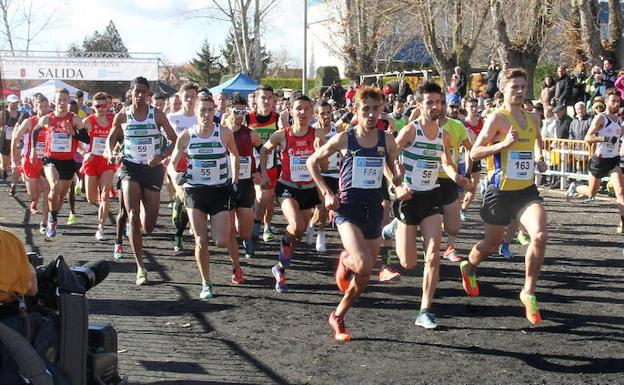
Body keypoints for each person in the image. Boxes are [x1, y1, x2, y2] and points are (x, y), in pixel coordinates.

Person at [307, 86, 401, 341]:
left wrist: (397, 182)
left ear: (382, 109)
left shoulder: (387, 140)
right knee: (361, 262)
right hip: (346, 208)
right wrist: (327, 192)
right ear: (355, 111)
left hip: (372, 208)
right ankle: (346, 261)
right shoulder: (344, 138)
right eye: (365, 110)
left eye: (376, 109)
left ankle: (338, 315)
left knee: (364, 274)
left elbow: (391, 171)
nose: (371, 115)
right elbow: (312, 162)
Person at [461, 67, 548, 325]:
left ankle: (528, 292)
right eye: (515, 87)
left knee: (540, 235)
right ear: (503, 90)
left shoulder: (532, 117)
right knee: (491, 245)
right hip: (499, 192)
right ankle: (469, 266)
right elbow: (475, 153)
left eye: (523, 86)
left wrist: (541, 158)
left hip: (525, 191)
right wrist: (503, 145)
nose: (520, 91)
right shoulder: (497, 119)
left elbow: (538, 141)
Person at [393, 81, 471, 329]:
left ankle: (424, 310)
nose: (436, 106)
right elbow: (390, 155)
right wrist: (396, 183)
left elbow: (446, 161)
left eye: (439, 102)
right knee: (408, 264)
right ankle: (393, 228)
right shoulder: (410, 131)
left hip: (430, 196)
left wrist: (456, 176)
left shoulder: (444, 134)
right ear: (419, 104)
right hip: (408, 199)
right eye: (430, 102)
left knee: (432, 255)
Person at [105, 77, 177, 285]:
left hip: (152, 170)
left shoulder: (157, 115)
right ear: (131, 93)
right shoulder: (123, 115)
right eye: (136, 91)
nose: (140, 95)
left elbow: (174, 141)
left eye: (144, 91)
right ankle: (140, 267)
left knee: (149, 225)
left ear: (148, 94)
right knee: (133, 216)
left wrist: (161, 156)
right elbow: (112, 137)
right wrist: (111, 153)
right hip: (130, 168)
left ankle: (139, 226)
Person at [170, 92, 242, 298]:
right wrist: (177, 178)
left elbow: (235, 155)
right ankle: (206, 282)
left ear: (215, 112)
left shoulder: (224, 133)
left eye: (211, 110)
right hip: (195, 191)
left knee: (220, 240)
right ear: (195, 112)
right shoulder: (186, 136)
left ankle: (235, 264)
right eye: (203, 110)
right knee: (201, 240)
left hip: (219, 190)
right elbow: (172, 165)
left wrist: (235, 179)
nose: (207, 114)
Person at [260, 95, 324, 293]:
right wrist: (264, 173)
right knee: (296, 225)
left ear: (312, 112)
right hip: (287, 186)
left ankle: (280, 268)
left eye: (306, 108)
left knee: (299, 231)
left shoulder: (317, 133)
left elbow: (325, 165)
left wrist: (318, 152)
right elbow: (264, 150)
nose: (302, 113)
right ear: (291, 111)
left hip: (309, 189)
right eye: (298, 108)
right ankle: (281, 268)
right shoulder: (282, 135)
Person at [30, 88, 90, 240]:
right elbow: (35, 131)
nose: (62, 102)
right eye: (59, 100)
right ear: (54, 102)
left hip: (68, 162)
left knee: (61, 196)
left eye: (64, 99)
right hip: (51, 160)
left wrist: (73, 133)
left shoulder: (74, 119)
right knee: (54, 186)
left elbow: (87, 139)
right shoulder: (47, 119)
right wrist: (32, 150)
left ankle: (53, 217)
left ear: (68, 101)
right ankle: (51, 220)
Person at [566, 88, 624, 216]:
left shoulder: (620, 121)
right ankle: (575, 187)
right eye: (613, 101)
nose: (616, 104)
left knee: (620, 190)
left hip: (613, 160)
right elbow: (587, 138)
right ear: (606, 101)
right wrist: (604, 138)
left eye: (618, 101)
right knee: (592, 193)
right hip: (599, 160)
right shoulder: (601, 118)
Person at [226, 95, 262, 259]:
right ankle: (234, 252)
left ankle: (246, 239)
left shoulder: (251, 134)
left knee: (245, 228)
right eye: (236, 111)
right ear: (228, 111)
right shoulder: (219, 133)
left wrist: (259, 171)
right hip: (225, 183)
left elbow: (264, 153)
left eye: (243, 111)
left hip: (246, 183)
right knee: (229, 224)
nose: (240, 115)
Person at [305, 101, 342, 252]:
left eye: (328, 112)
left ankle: (315, 228)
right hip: (318, 173)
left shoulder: (337, 130)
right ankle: (318, 230)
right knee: (321, 205)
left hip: (334, 172)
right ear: (316, 115)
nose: (326, 116)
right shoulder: (311, 131)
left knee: (324, 207)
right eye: (322, 113)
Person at [166, 83, 199, 254]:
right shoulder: (171, 118)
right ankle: (179, 235)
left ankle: (181, 230)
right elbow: (166, 142)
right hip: (177, 166)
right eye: (186, 96)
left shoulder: (201, 117)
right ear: (180, 96)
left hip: (197, 165)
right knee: (185, 199)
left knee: (189, 203)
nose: (189, 99)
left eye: (193, 96)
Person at [11, 94, 50, 233]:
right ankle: (34, 200)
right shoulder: (29, 121)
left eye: (46, 106)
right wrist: (13, 160)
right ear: (35, 107)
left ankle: (45, 221)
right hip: (30, 160)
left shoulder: (51, 121)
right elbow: (15, 138)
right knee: (33, 192)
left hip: (47, 161)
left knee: (47, 191)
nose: (44, 109)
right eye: (41, 106)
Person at [246, 85, 280, 243]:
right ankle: (256, 225)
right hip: (252, 166)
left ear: (273, 100)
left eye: (269, 98)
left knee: (270, 197)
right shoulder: (248, 118)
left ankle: (267, 226)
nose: (266, 101)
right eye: (263, 98)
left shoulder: (278, 118)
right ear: (256, 99)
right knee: (260, 196)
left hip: (271, 165)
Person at [81, 92, 116, 241]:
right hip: (92, 161)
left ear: (108, 105)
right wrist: (83, 153)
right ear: (92, 107)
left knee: (105, 194)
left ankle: (100, 227)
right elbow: (75, 141)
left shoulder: (113, 120)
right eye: (97, 106)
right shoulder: (87, 122)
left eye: (103, 105)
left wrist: (117, 150)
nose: (101, 109)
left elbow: (120, 138)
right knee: (91, 198)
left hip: (107, 162)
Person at [461, 97, 485, 220]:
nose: (474, 109)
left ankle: (463, 209)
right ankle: (452, 209)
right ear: (466, 108)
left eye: (476, 106)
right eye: (471, 107)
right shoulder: (463, 124)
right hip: (463, 159)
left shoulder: (482, 122)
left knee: (473, 187)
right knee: (460, 188)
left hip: (476, 158)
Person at [1, 94, 21, 194]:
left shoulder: (20, 114)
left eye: (16, 103)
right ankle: (4, 170)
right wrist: (2, 129)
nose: (15, 105)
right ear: (8, 103)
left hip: (15, 141)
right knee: (5, 162)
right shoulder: (3, 113)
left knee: (15, 163)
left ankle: (13, 185)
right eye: (13, 103)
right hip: (5, 140)